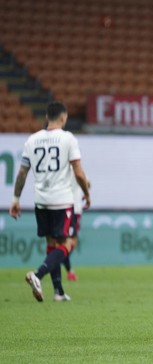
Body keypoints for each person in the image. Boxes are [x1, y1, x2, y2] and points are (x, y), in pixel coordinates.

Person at [9, 101, 91, 302]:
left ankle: (58, 291)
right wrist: (86, 194)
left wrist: (16, 199)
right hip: (61, 200)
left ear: (47, 117)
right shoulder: (67, 138)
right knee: (67, 243)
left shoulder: (32, 140)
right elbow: (79, 173)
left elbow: (21, 173)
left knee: (51, 243)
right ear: (63, 118)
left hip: (41, 201)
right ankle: (37, 275)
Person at [62, 172, 90, 282]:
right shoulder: (74, 168)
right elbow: (86, 182)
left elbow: (87, 182)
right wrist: (86, 194)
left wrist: (85, 191)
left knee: (71, 242)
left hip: (70, 209)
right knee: (67, 244)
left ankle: (62, 264)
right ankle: (60, 265)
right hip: (72, 209)